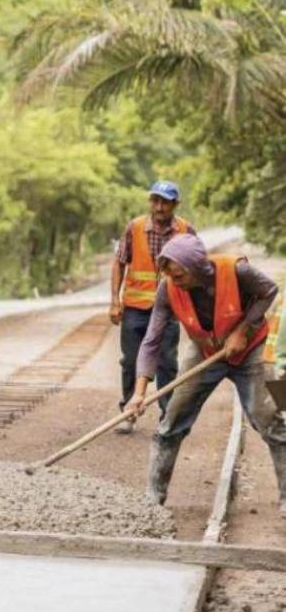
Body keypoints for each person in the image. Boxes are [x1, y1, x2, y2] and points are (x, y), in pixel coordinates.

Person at [126, 235, 286, 515]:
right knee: (171, 421)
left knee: (270, 420)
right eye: (169, 275)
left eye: (179, 275)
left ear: (198, 267)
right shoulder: (168, 289)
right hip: (205, 352)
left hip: (250, 352)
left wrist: (243, 329)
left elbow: (270, 291)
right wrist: (139, 393)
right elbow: (152, 340)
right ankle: (153, 499)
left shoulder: (237, 271)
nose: (175, 281)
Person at [110, 181, 192, 432]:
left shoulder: (185, 230)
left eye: (165, 202)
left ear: (174, 205)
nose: (159, 206)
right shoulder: (134, 228)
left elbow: (197, 267)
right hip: (136, 307)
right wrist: (115, 300)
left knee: (167, 362)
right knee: (131, 361)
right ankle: (128, 411)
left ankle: (167, 416)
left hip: (171, 308)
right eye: (155, 201)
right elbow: (120, 262)